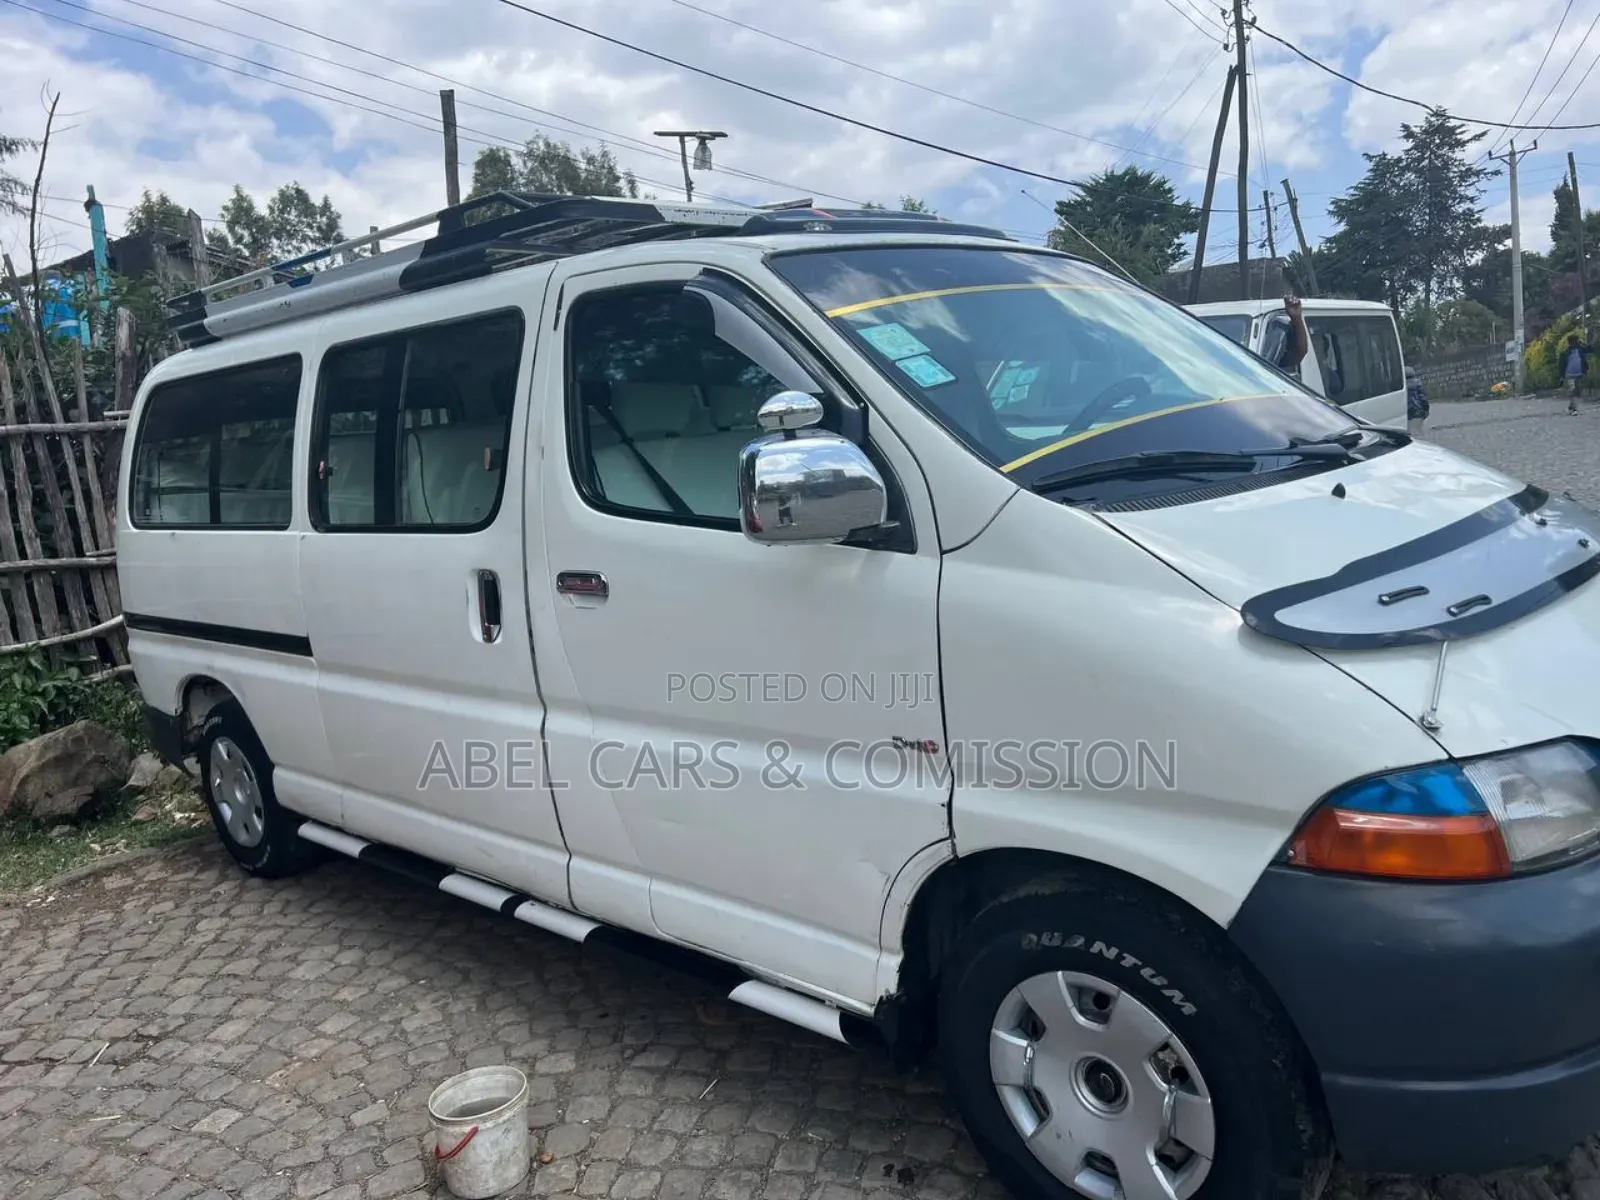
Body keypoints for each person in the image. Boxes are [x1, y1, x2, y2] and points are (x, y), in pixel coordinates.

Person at [1562, 332, 1591, 414]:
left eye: (1577, 341)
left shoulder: (1580, 350)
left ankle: (1571, 407)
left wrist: (1583, 343)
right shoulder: (1566, 353)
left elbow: (1590, 349)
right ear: (1571, 342)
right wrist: (1562, 376)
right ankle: (1575, 409)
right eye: (1576, 341)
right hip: (1569, 375)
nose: (1577, 343)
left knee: (1578, 392)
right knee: (1572, 390)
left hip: (1579, 374)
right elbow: (1562, 365)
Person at [1405, 364, 1428, 437]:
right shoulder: (1418, 383)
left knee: (1409, 432)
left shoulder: (1402, 386)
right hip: (1418, 411)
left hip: (1407, 412)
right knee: (1418, 431)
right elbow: (1423, 398)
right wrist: (1426, 410)